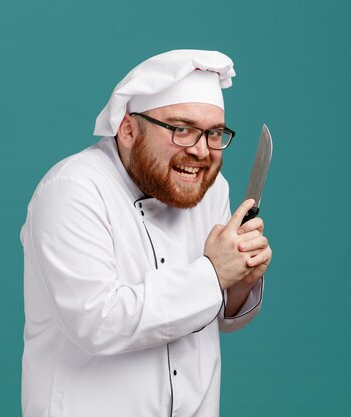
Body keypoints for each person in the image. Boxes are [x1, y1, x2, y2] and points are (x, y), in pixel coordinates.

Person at [20, 49, 272, 417]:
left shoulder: (211, 188)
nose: (201, 151)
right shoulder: (73, 189)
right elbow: (98, 323)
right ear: (127, 129)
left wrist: (239, 281)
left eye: (214, 133)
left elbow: (217, 314)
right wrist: (214, 272)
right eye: (181, 129)